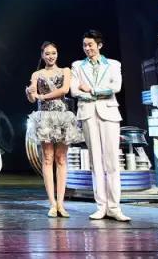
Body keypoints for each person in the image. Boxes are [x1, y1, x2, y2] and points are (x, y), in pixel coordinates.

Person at [70, 30, 131, 222]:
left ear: (99, 45)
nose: (87, 48)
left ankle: (114, 207)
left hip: (109, 113)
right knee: (95, 161)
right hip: (88, 114)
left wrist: (91, 90)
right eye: (84, 45)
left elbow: (116, 87)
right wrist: (93, 93)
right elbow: (74, 90)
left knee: (112, 161)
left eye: (90, 45)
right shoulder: (77, 65)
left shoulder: (113, 64)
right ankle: (101, 207)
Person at [26, 41, 82, 218]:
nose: (51, 56)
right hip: (45, 118)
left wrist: (42, 96)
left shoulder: (65, 71)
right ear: (42, 55)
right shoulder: (36, 74)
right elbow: (32, 98)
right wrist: (29, 93)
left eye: (53, 53)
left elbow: (64, 90)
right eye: (47, 53)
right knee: (48, 158)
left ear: (57, 54)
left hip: (62, 116)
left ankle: (61, 203)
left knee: (61, 159)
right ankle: (52, 203)